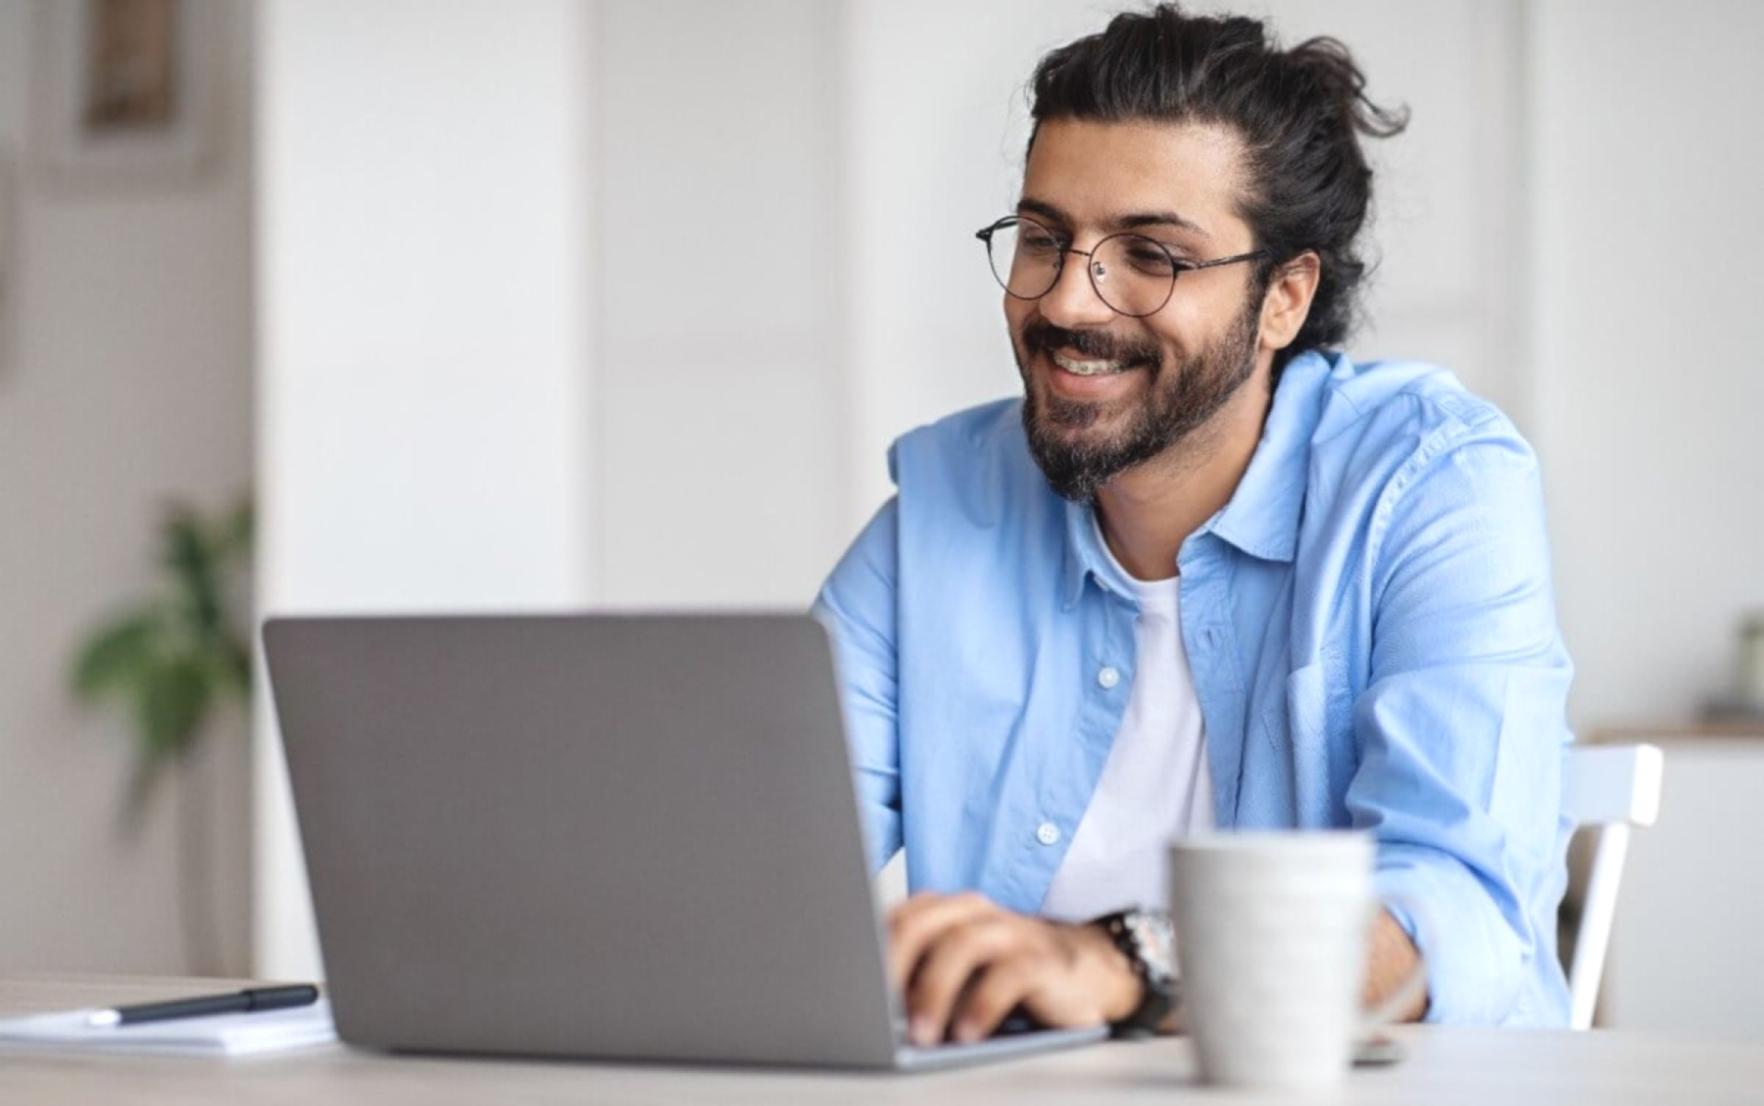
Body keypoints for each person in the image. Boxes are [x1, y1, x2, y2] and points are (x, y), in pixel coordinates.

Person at [812, 3, 1574, 1044]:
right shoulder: (943, 510)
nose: (1071, 301)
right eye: (1044, 237)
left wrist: (1125, 960)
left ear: (1283, 298)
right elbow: (760, 869)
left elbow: (1460, 908)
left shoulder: (1432, 483)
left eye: (1152, 254)